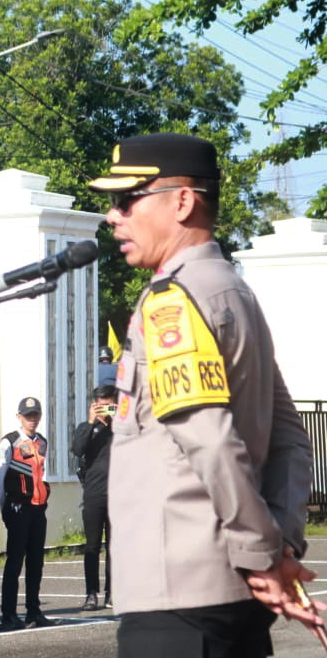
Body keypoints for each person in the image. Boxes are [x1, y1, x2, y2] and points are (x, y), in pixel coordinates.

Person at [92, 133, 317, 657]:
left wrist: (264, 554)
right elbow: (289, 437)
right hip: (231, 597)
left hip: (179, 602)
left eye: (127, 200)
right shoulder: (234, 291)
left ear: (183, 201)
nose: (112, 216)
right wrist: (278, 544)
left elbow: (212, 442)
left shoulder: (172, 301)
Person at [0, 397, 51, 630]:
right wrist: (5, 507)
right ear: (19, 417)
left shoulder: (42, 442)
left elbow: (40, 473)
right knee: (15, 560)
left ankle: (33, 610)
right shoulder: (9, 442)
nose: (33, 420)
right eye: (28, 416)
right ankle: (8, 612)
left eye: (36, 415)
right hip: (17, 508)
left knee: (36, 561)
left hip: (37, 508)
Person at [71, 384, 116, 611]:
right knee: (92, 546)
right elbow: (78, 449)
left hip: (118, 494)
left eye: (109, 404)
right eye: (101, 404)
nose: (105, 409)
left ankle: (112, 593)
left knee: (115, 547)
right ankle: (91, 594)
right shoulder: (86, 428)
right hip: (94, 494)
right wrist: (91, 422)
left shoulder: (122, 428)